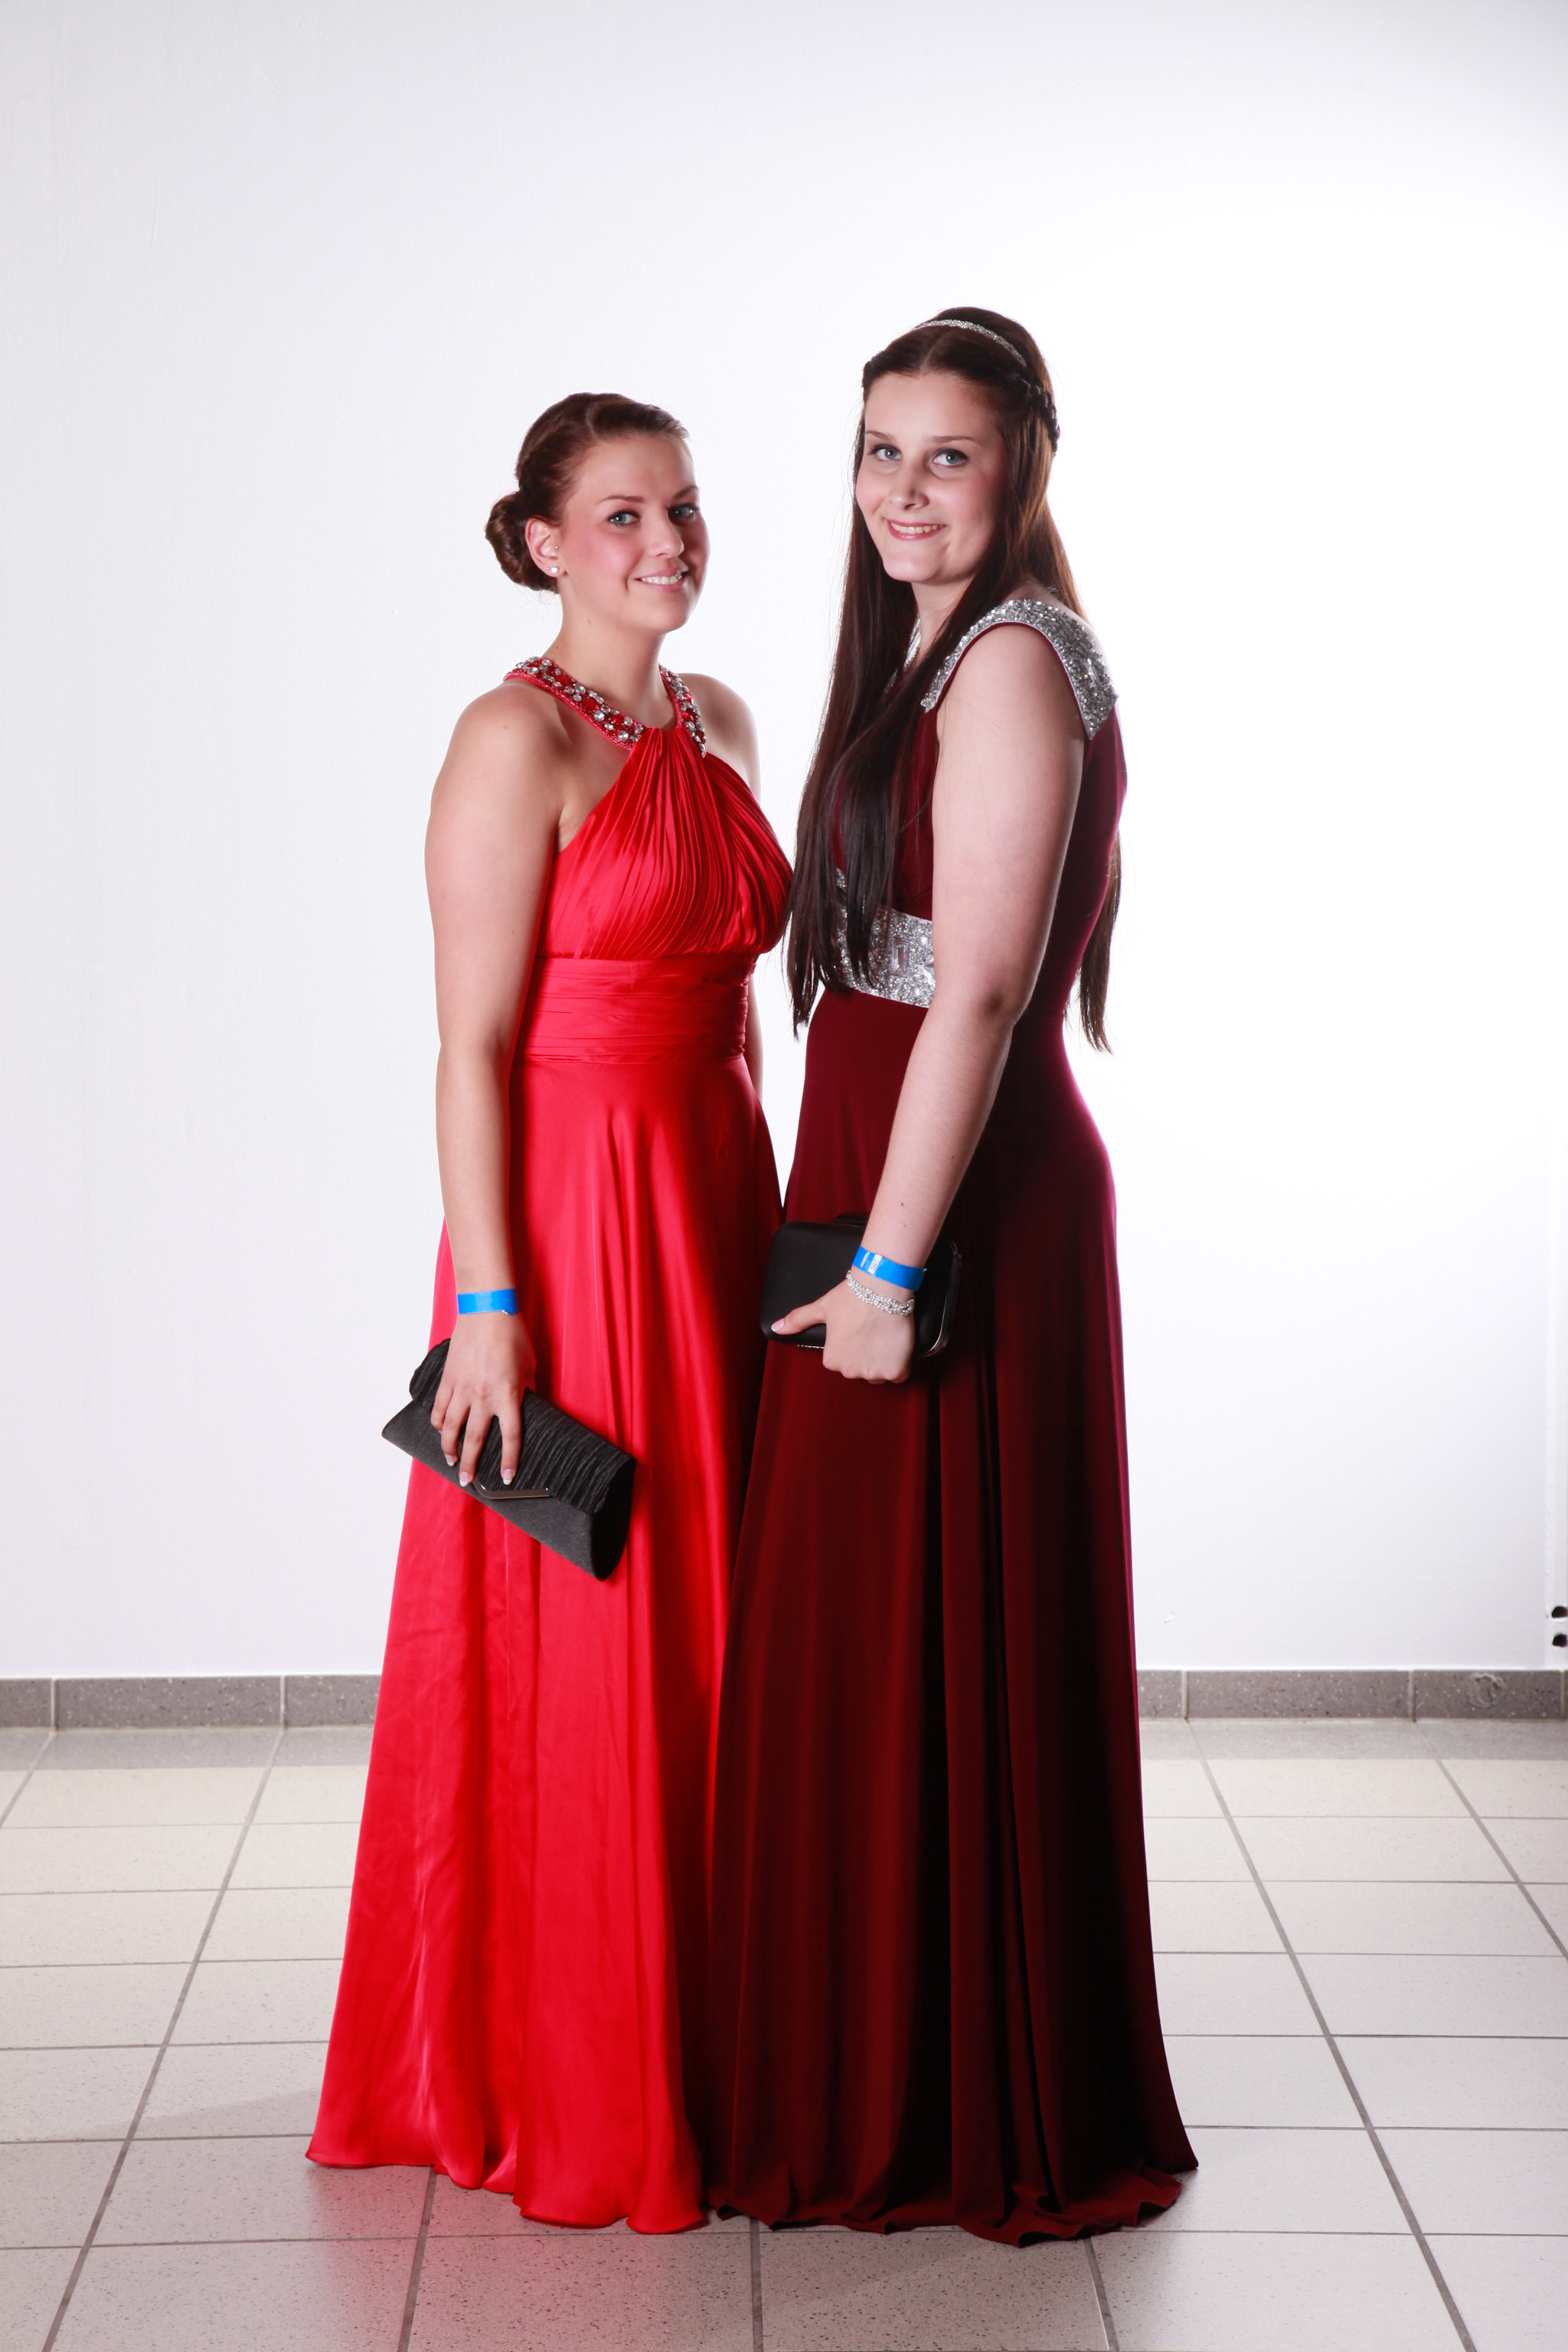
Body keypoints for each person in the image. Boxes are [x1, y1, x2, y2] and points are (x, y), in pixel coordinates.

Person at [706, 313, 1195, 2242]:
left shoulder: (1007, 659)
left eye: (948, 457)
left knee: (918, 1631)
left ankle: (939, 2099)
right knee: (860, 1634)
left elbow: (978, 988)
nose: (902, 492)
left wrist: (892, 1266)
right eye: (877, 451)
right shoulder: (927, 644)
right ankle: (871, 2062)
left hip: (951, 1202)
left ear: (1024, 470)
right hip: (882, 1168)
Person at [309, 394, 790, 2233]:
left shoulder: (720, 719)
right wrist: (492, 1300)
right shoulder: (510, 739)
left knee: (726, 1611)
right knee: (593, 1606)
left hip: (713, 1194)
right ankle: (570, 2055)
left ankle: (726, 2035)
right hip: (570, 1225)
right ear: (539, 542)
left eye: (684, 509)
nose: (667, 544)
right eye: (622, 516)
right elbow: (471, 1046)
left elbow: (737, 1007)